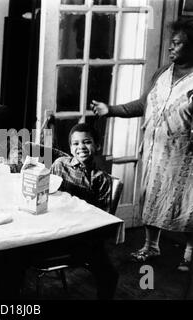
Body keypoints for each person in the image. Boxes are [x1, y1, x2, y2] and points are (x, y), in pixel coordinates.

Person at [91, 19, 193, 271]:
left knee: (188, 202)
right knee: (151, 195)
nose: (170, 48)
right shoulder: (161, 74)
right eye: (171, 43)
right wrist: (110, 110)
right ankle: (151, 245)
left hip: (184, 155)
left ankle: (190, 252)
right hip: (154, 151)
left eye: (177, 44)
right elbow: (143, 105)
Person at [47, 123, 118, 299]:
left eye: (86, 142)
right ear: (70, 148)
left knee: (110, 275)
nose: (81, 148)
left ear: (98, 145)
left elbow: (102, 217)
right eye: (75, 144)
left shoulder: (101, 178)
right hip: (54, 230)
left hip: (84, 235)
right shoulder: (59, 165)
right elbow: (46, 193)